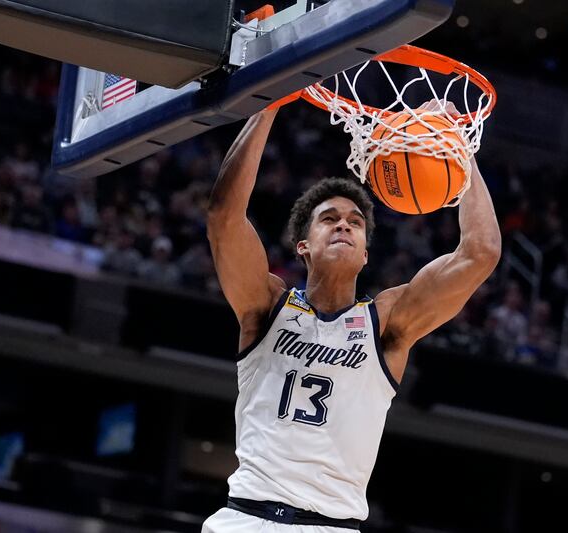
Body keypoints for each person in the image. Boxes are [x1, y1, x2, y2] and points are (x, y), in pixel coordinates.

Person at [202, 103, 501, 532]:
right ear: (303, 245)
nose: (343, 225)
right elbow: (223, 216)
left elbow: (481, 252)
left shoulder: (386, 326)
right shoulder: (266, 307)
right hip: (247, 516)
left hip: (332, 524)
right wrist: (268, 106)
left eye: (355, 222)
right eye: (329, 219)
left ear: (365, 254)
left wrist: (455, 142)